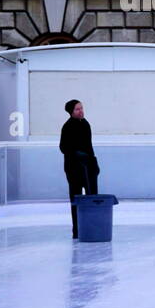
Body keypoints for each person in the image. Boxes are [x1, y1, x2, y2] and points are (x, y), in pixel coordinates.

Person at [60, 99, 100, 238]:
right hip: (74, 168)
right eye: (77, 109)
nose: (81, 111)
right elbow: (63, 147)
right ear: (71, 112)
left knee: (92, 196)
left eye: (81, 108)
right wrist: (77, 154)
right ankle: (77, 229)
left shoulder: (85, 124)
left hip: (88, 167)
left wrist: (94, 163)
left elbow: (89, 146)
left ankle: (93, 226)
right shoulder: (68, 126)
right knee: (76, 197)